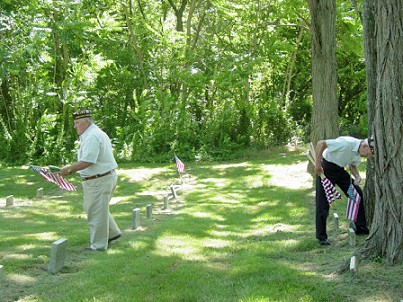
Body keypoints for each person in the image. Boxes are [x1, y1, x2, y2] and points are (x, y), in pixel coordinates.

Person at [60, 109, 121, 251]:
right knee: (98, 209)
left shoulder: (92, 136)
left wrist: (68, 169)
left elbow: (87, 161)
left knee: (95, 212)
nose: (75, 126)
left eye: (77, 123)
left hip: (99, 180)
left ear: (86, 122)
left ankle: (98, 246)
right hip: (102, 177)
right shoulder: (92, 133)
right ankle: (112, 233)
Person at [314, 136, 374, 246]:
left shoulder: (358, 152)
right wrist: (318, 165)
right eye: (368, 154)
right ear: (365, 146)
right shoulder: (346, 144)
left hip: (339, 170)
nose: (366, 157)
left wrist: (357, 177)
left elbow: (352, 166)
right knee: (323, 203)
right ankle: (321, 236)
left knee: (356, 194)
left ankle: (360, 226)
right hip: (326, 168)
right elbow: (320, 143)